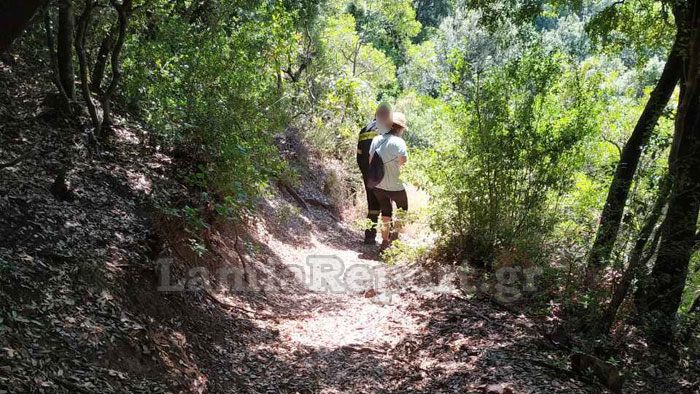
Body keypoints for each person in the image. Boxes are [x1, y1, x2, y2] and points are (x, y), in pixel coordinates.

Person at [369, 111, 408, 249]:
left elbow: (370, 161)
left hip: (378, 185)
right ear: (399, 128)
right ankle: (395, 237)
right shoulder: (399, 142)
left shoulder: (376, 139)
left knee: (385, 212)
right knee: (403, 210)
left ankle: (384, 241)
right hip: (396, 186)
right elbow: (403, 161)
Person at [356, 103, 393, 244]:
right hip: (383, 174)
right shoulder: (388, 129)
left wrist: (366, 173)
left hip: (368, 173)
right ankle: (387, 240)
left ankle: (369, 237)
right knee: (386, 207)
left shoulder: (364, 130)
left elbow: (359, 156)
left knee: (372, 204)